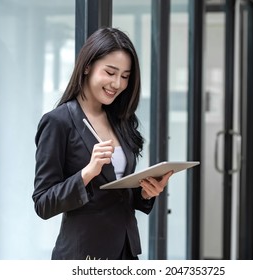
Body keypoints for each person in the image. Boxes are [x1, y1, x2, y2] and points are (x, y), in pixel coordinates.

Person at [32, 27, 173, 260]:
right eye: (110, 72)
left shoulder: (120, 119)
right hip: (84, 255)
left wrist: (147, 193)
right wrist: (86, 173)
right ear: (87, 66)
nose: (117, 84)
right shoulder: (58, 122)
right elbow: (43, 202)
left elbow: (117, 193)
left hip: (125, 253)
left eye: (125, 76)